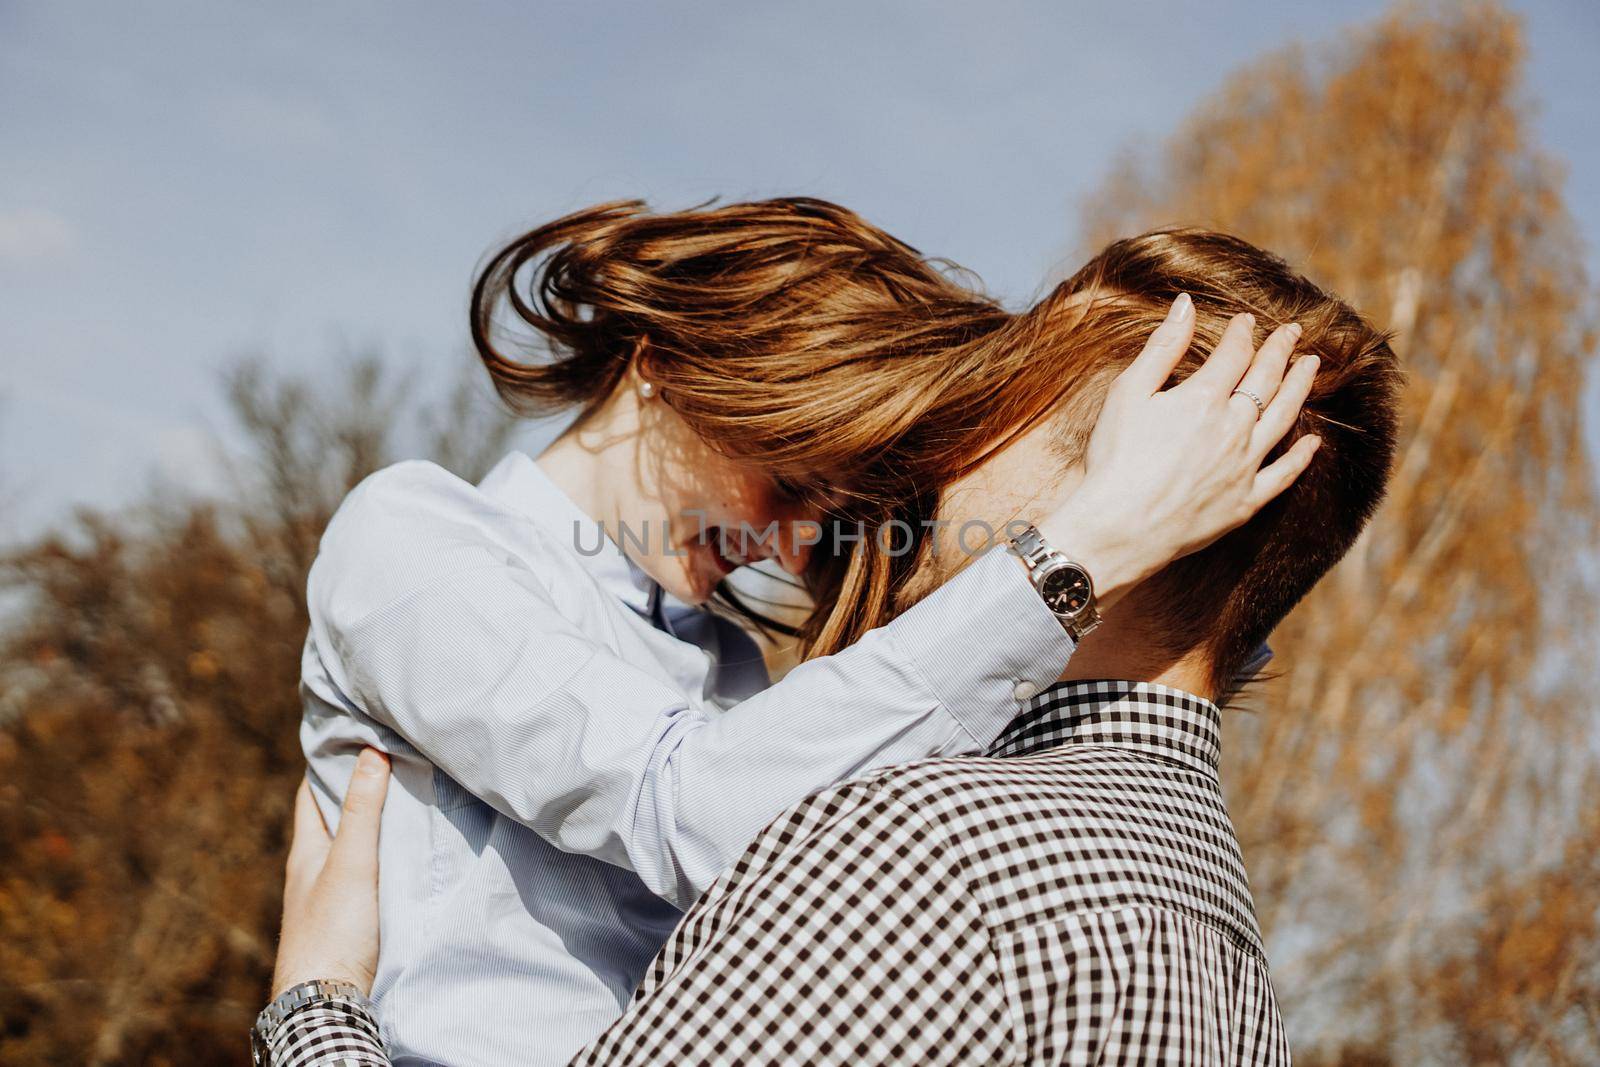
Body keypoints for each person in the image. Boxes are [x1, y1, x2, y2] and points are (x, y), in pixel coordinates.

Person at [259, 227, 1402, 1065]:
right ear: (664, 364)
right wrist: (1080, 544)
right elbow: (682, 805)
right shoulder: (417, 533)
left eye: (845, 503)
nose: (795, 537)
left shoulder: (737, 671)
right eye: (791, 476)